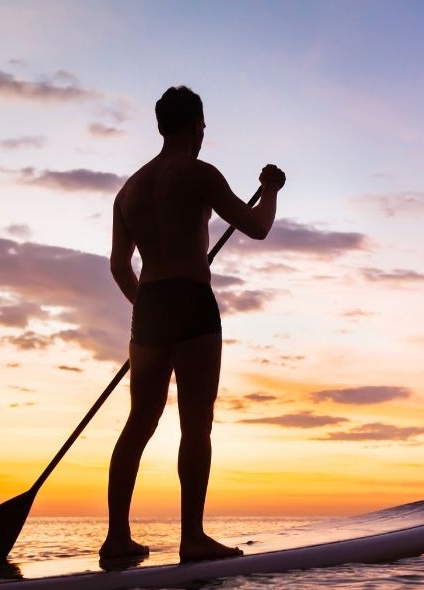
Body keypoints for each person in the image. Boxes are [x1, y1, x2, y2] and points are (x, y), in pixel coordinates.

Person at [102, 85, 285, 561]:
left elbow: (119, 265)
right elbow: (258, 226)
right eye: (202, 126)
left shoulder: (129, 191)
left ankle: (117, 539)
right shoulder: (200, 173)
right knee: (195, 425)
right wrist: (270, 191)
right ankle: (192, 539)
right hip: (192, 301)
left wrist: (145, 307)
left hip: (152, 304)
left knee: (138, 423)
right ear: (195, 126)